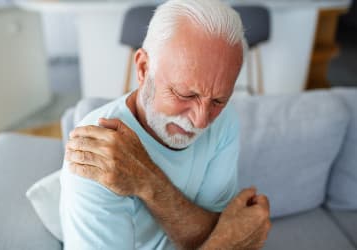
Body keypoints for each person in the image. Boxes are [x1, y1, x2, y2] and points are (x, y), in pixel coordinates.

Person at [60, 0, 271, 249]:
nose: (201, 120)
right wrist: (227, 243)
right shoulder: (98, 152)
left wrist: (148, 181)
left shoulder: (224, 121)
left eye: (218, 100)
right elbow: (226, 236)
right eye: (185, 94)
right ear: (143, 68)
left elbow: (217, 228)